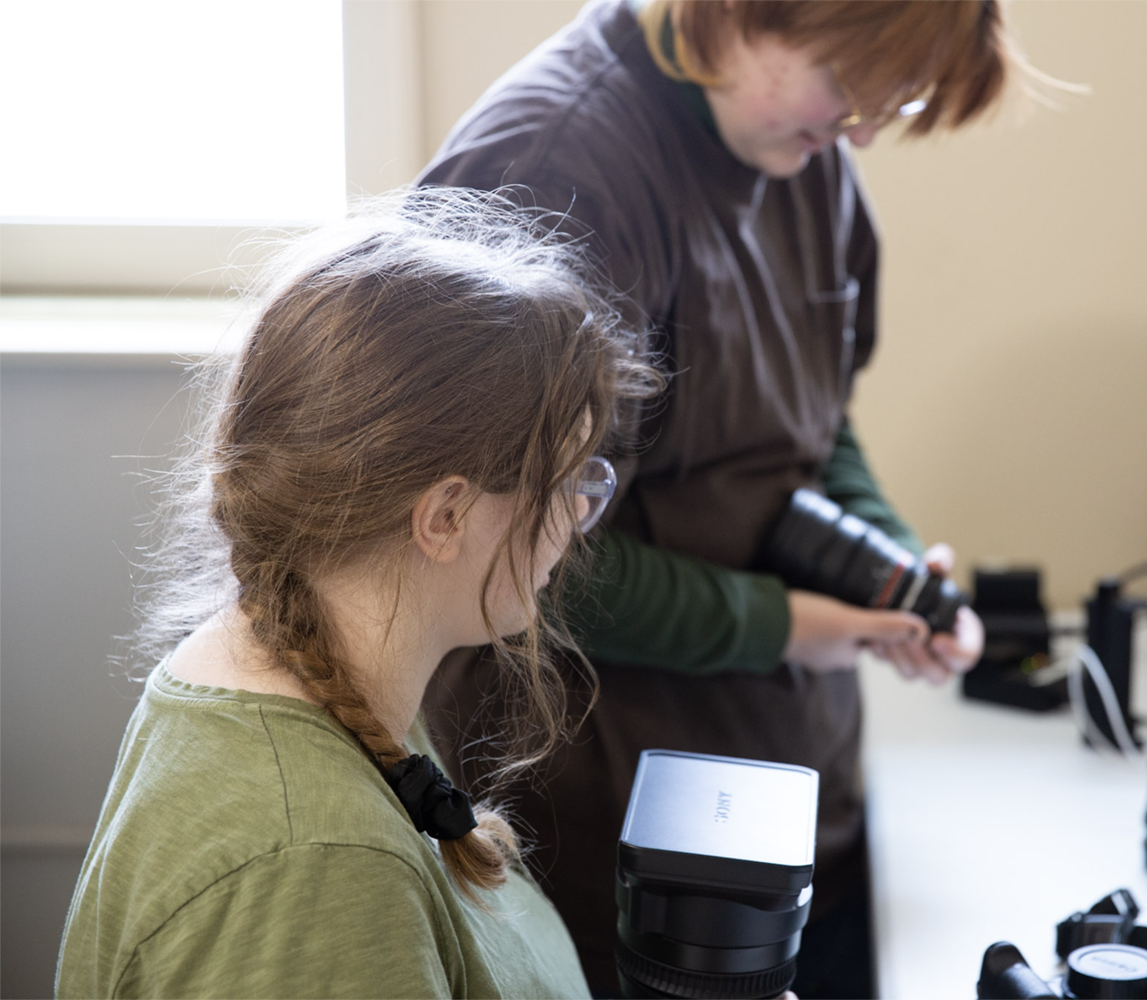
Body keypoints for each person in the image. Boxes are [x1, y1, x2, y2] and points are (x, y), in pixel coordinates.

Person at [418, 1, 1012, 996]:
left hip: (791, 796)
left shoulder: (805, 152)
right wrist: (779, 623)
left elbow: (818, 427)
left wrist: (888, 558)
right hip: (618, 844)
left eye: (891, 98)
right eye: (849, 80)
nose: (865, 128)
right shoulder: (553, 173)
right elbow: (506, 549)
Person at [54, 189, 661, 999]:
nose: (580, 517)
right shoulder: (316, 865)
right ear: (445, 516)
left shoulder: (323, 670)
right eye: (565, 480)